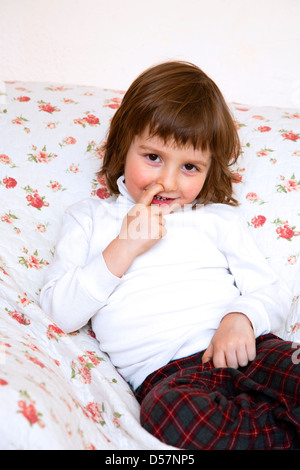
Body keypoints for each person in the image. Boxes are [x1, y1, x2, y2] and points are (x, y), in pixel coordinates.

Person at [40, 61, 300, 450]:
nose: (168, 182)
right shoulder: (90, 219)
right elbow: (60, 311)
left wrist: (241, 317)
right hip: (170, 379)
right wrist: (123, 246)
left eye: (190, 167)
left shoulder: (215, 219)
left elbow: (271, 290)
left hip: (248, 349)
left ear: (210, 169)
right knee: (168, 417)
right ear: (123, 144)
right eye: (153, 158)